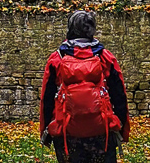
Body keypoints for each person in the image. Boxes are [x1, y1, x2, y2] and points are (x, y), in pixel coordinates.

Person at [39, 10, 130, 163]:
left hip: (66, 132)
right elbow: (119, 94)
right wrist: (121, 128)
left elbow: (46, 99)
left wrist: (46, 131)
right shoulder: (105, 57)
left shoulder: (57, 59)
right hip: (102, 130)